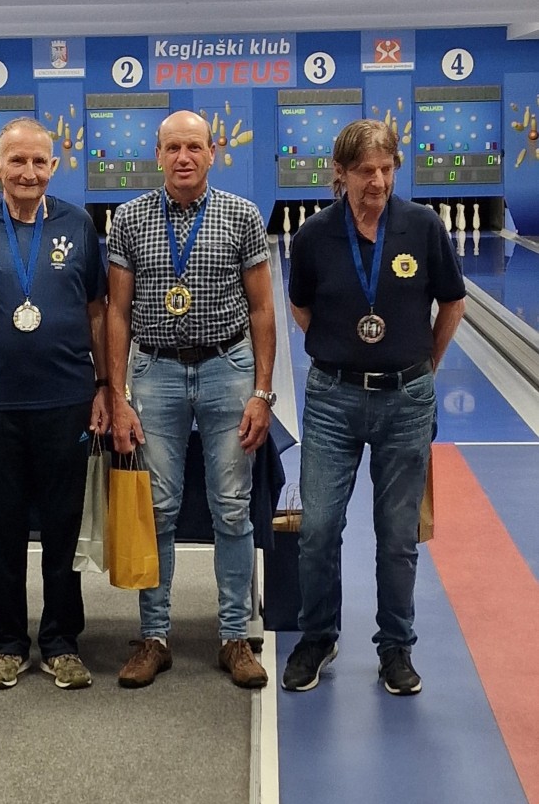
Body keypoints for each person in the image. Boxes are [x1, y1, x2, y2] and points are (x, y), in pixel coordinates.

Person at [282, 119, 465, 696]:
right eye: (366, 171)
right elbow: (300, 307)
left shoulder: (424, 226)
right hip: (333, 400)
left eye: (387, 169)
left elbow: (453, 303)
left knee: (397, 536)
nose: (378, 181)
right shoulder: (313, 235)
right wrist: (342, 351)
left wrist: (423, 366)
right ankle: (317, 637)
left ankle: (396, 648)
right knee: (318, 528)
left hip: (405, 400)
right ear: (340, 173)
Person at [107, 110, 275, 689]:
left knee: (232, 506)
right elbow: (117, 313)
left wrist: (262, 391)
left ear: (212, 152)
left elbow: (262, 310)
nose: (184, 157)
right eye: (173, 147)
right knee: (158, 507)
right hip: (155, 370)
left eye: (194, 147)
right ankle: (154, 636)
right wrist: (117, 394)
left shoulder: (241, 214)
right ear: (158, 154)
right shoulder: (129, 218)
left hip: (228, 367)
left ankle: (234, 637)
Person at [0, 117, 109, 690]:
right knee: (1, 531)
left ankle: (61, 642)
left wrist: (106, 387)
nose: (29, 171)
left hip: (67, 403)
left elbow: (96, 313)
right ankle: (8, 645)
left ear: (54, 167)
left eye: (39, 161)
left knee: (64, 528)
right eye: (17, 160)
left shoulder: (78, 224)